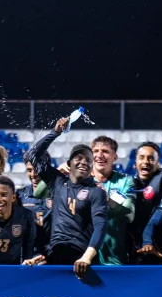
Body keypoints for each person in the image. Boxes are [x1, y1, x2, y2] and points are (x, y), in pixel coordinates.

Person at [23, 116, 108, 275]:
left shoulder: (96, 192)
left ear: (92, 167)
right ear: (69, 164)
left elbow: (101, 226)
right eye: (79, 158)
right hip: (55, 253)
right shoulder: (57, 182)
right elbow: (32, 155)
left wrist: (87, 258)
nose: (83, 162)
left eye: (88, 160)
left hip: (80, 257)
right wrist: (55, 133)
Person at [90, 135, 137, 265]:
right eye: (95, 151)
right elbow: (39, 193)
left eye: (105, 151)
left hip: (114, 259)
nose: (99, 155)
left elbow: (129, 215)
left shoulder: (125, 181)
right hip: (84, 258)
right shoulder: (80, 181)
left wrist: (108, 200)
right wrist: (61, 170)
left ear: (114, 157)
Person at [129, 141, 162, 263]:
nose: (145, 162)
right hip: (134, 252)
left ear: (158, 164)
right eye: (141, 158)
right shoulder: (127, 186)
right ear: (135, 164)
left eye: (151, 158)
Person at [19, 161, 52, 259]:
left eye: (37, 170)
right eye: (29, 170)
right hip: (27, 256)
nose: (33, 174)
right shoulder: (19, 195)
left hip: (53, 255)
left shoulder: (58, 193)